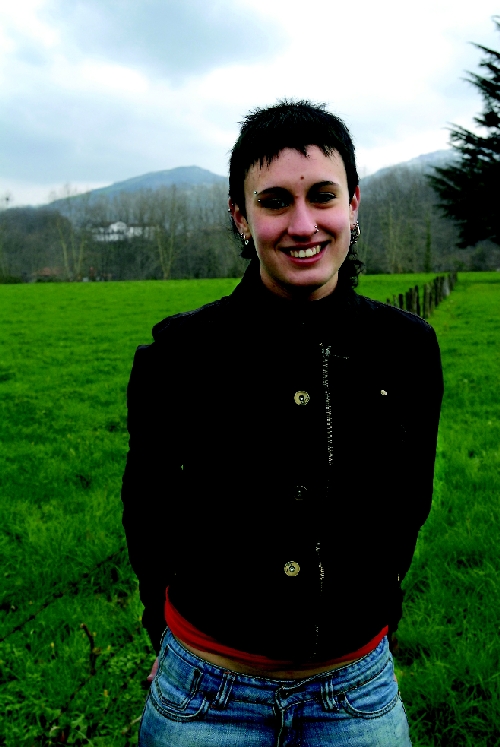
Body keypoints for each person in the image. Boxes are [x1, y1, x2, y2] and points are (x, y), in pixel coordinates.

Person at [121, 100, 443, 746]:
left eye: (323, 196)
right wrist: (171, 640)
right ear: (241, 218)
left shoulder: (407, 350)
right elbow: (148, 511)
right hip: (203, 698)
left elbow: (409, 506)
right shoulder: (177, 355)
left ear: (354, 204)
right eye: (274, 202)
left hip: (358, 693)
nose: (303, 225)